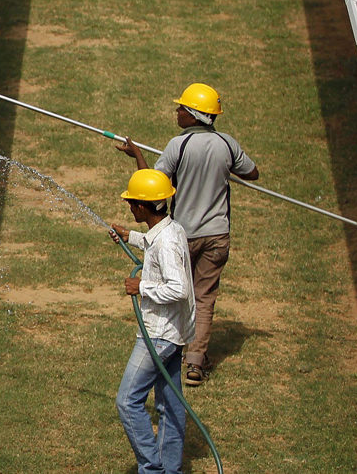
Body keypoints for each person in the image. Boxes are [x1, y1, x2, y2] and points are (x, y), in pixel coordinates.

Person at [116, 82, 257, 386]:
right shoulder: (227, 144)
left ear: (194, 115)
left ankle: (173, 350)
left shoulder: (178, 146)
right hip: (218, 235)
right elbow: (252, 172)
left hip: (183, 235)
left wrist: (137, 155)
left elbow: (153, 184)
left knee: (180, 292)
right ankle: (195, 362)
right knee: (203, 297)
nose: (177, 111)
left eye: (181, 108)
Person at [107, 169, 195, 474]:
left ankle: (152, 469)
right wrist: (129, 236)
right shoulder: (171, 230)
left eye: (132, 202)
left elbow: (179, 288)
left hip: (159, 335)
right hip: (175, 332)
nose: (130, 206)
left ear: (144, 207)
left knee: (128, 401)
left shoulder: (167, 243)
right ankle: (170, 470)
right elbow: (155, 245)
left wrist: (141, 286)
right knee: (169, 405)